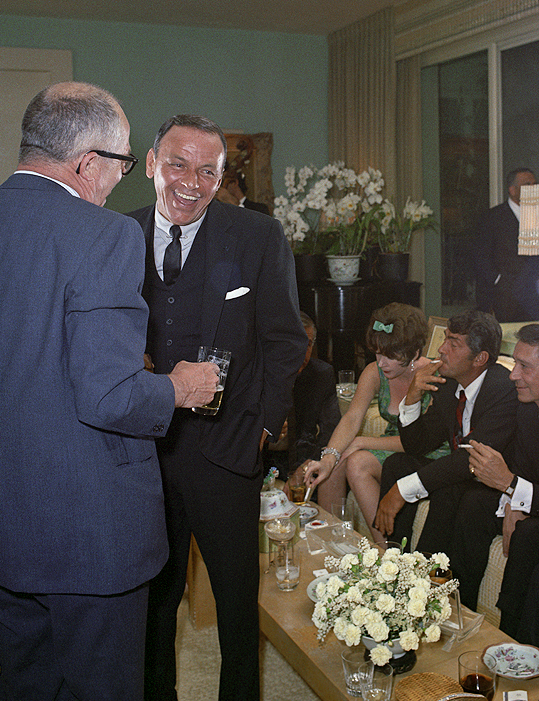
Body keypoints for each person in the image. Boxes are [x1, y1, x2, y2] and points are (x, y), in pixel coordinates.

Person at [0, 83, 219, 701]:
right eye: (123, 164)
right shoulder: (105, 235)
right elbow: (109, 396)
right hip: (87, 527)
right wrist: (177, 387)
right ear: (88, 162)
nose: (120, 181)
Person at [127, 114, 306, 701]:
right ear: (151, 164)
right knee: (154, 603)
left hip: (228, 450)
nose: (191, 181)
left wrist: (263, 427)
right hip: (140, 454)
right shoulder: (116, 236)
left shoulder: (258, 236)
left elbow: (286, 341)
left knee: (236, 605)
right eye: (178, 164)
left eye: (208, 171)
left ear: (223, 177)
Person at [374, 310, 518, 556]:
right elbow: (418, 445)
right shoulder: (448, 383)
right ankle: (395, 557)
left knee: (448, 490)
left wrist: (402, 490)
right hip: (466, 474)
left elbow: (471, 458)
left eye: (453, 343)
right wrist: (412, 397)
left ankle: (426, 568)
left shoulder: (503, 389)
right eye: (445, 339)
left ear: (480, 358)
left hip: (495, 483)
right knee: (397, 465)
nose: (441, 349)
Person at [303, 303, 449, 542]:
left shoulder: (433, 376)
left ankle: (386, 550)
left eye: (390, 356)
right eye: (378, 353)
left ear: (414, 353)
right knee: (335, 462)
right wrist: (329, 457)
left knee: (357, 462)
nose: (381, 363)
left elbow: (421, 441)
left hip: (428, 452)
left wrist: (362, 442)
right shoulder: (374, 372)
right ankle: (333, 543)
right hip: (390, 447)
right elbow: (352, 418)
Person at [452, 324, 539, 645]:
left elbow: (515, 480)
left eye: (524, 367)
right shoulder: (527, 410)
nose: (513, 375)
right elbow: (522, 468)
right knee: (475, 502)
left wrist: (513, 488)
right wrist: (513, 498)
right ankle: (460, 611)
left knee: (529, 535)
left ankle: (517, 640)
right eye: (514, 363)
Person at [267, 311, 341, 482]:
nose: (302, 352)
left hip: (305, 462)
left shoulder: (321, 375)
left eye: (307, 344)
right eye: (296, 343)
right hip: (262, 464)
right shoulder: (260, 374)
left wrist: (305, 467)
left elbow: (330, 431)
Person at [474, 167, 537, 322]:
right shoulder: (492, 218)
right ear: (512, 190)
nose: (533, 189)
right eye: (527, 185)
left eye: (535, 185)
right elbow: (480, 256)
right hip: (506, 297)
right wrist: (498, 280)